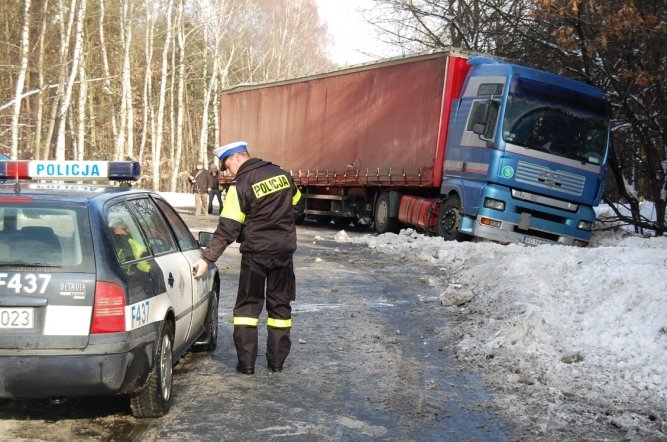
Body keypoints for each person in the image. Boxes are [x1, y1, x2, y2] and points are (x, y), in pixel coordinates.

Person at [193, 141, 302, 375]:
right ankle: (276, 363)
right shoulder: (282, 174)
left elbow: (228, 229)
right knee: (280, 308)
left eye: (226, 167)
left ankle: (247, 364)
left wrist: (206, 259)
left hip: (256, 254)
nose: (227, 172)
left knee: (247, 309)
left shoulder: (240, 185)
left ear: (235, 159)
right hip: (284, 252)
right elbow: (297, 205)